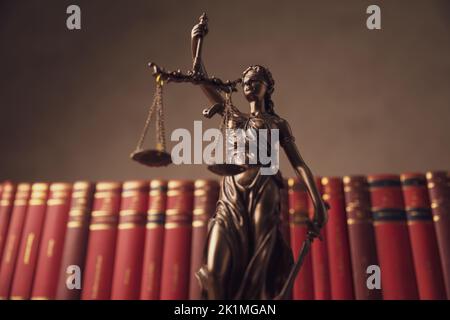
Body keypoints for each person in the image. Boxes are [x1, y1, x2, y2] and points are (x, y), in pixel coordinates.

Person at [191, 21, 328, 300]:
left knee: (261, 260)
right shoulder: (231, 115)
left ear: (268, 87)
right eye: (246, 81)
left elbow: (298, 164)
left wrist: (317, 202)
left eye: (256, 80)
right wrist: (196, 42)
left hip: (264, 187)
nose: (249, 84)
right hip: (230, 194)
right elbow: (200, 78)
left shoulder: (278, 123)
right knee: (214, 270)